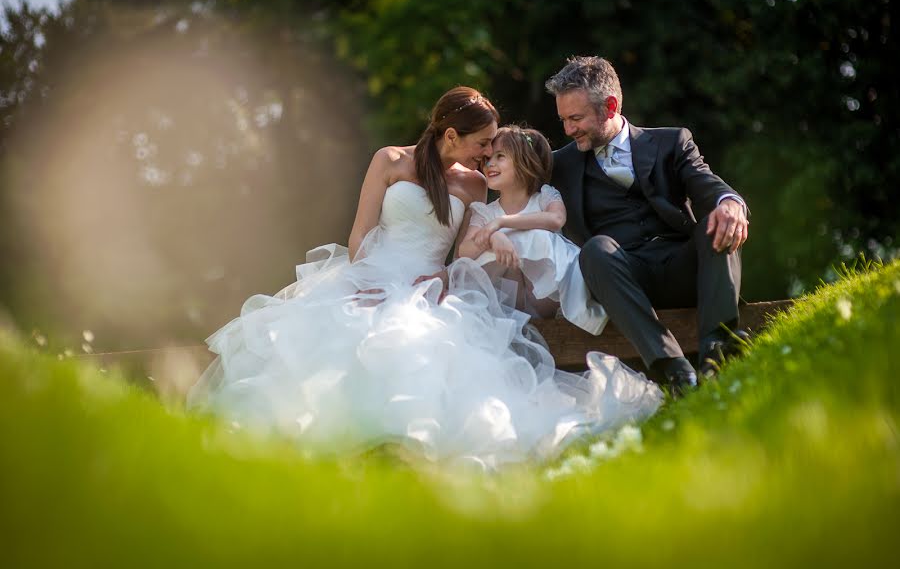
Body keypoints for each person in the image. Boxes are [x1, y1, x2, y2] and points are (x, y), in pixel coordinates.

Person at [188, 86, 663, 470]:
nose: (487, 154)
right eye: (482, 144)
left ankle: (407, 446)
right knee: (341, 335)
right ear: (451, 134)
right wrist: (363, 282)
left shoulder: (474, 184)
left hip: (429, 286)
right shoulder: (390, 161)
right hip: (370, 275)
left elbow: (466, 247)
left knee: (421, 343)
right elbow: (360, 235)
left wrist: (472, 256)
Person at [544, 56, 749, 394]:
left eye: (576, 118)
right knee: (595, 250)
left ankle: (717, 349)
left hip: (683, 269)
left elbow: (705, 183)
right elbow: (508, 168)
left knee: (716, 221)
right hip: (624, 280)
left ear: (609, 106)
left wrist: (730, 204)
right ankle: (672, 368)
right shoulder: (561, 164)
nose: (568, 130)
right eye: (563, 120)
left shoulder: (672, 141)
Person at [458, 125, 607, 335]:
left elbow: (556, 219)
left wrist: (502, 223)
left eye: (500, 156)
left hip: (547, 297)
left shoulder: (544, 197)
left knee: (535, 237)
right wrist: (494, 237)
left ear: (524, 161)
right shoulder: (485, 213)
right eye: (487, 159)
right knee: (484, 254)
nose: (490, 164)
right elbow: (465, 251)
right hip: (507, 302)